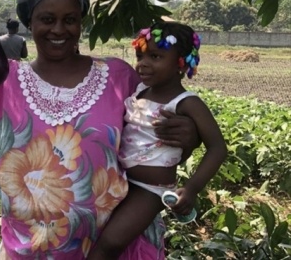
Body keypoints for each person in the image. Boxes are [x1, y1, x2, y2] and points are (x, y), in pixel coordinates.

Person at [0, 0, 200, 259]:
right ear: (30, 21)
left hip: (113, 247)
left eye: (70, 20)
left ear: (81, 23)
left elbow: (155, 138)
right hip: (29, 249)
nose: (58, 29)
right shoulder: (2, 82)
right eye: (47, 19)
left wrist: (189, 136)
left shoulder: (118, 77)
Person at [87, 22, 227, 259]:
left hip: (150, 190)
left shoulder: (186, 102)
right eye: (140, 56)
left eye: (155, 56)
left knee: (110, 243)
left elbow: (218, 148)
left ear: (181, 63)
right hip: (121, 180)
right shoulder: (139, 90)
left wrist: (191, 189)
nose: (143, 64)